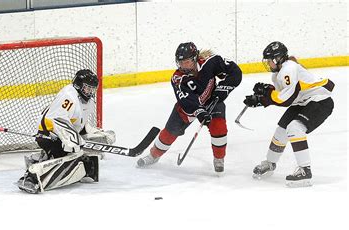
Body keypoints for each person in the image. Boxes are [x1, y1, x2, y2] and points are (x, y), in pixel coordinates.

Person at [137, 42, 242, 173]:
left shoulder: (210, 62)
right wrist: (199, 111)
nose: (183, 66)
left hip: (212, 100)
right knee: (169, 133)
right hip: (188, 108)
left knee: (219, 127)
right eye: (180, 63)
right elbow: (186, 100)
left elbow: (235, 72)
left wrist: (222, 89)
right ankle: (153, 155)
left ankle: (219, 159)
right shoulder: (178, 78)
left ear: (195, 58)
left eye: (186, 62)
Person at [244, 41, 334, 187]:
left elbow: (286, 99)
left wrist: (265, 94)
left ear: (278, 58)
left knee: (294, 128)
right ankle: (270, 163)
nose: (267, 63)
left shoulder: (289, 68)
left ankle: (305, 170)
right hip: (302, 102)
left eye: (269, 60)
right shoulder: (278, 75)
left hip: (319, 100)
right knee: (281, 130)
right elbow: (280, 97)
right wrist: (260, 99)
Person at [17, 69, 116, 194]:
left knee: (80, 155)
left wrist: (96, 134)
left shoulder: (88, 102)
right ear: (78, 85)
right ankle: (31, 177)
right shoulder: (69, 96)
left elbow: (80, 123)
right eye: (87, 88)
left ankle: (40, 158)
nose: (90, 92)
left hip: (65, 134)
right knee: (73, 155)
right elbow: (57, 119)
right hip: (48, 134)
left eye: (92, 89)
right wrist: (71, 138)